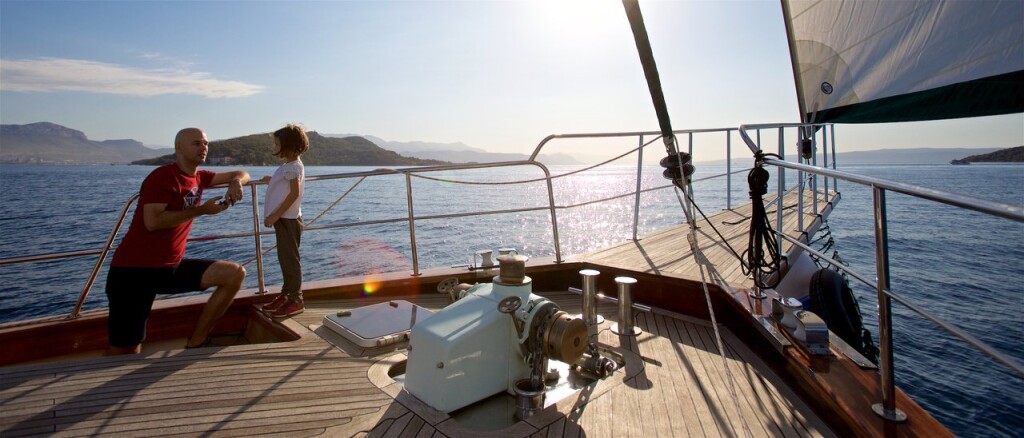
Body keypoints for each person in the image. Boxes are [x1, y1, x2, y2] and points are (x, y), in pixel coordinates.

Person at [104, 127, 250, 354]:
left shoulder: (200, 177)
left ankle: (197, 341)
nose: (203, 147)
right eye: (197, 143)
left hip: (169, 268)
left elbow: (242, 172)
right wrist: (201, 210)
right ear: (179, 148)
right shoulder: (163, 177)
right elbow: (153, 221)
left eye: (206, 143)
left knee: (234, 274)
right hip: (134, 272)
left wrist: (236, 182)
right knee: (126, 351)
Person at [259, 124, 309, 318]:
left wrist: (275, 215)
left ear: (288, 146)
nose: (275, 147)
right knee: (285, 259)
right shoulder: (290, 166)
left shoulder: (293, 167)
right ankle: (287, 294)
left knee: (290, 261)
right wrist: (271, 180)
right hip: (286, 220)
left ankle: (296, 299)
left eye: (277, 144)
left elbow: (293, 194)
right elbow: (285, 185)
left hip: (287, 220)